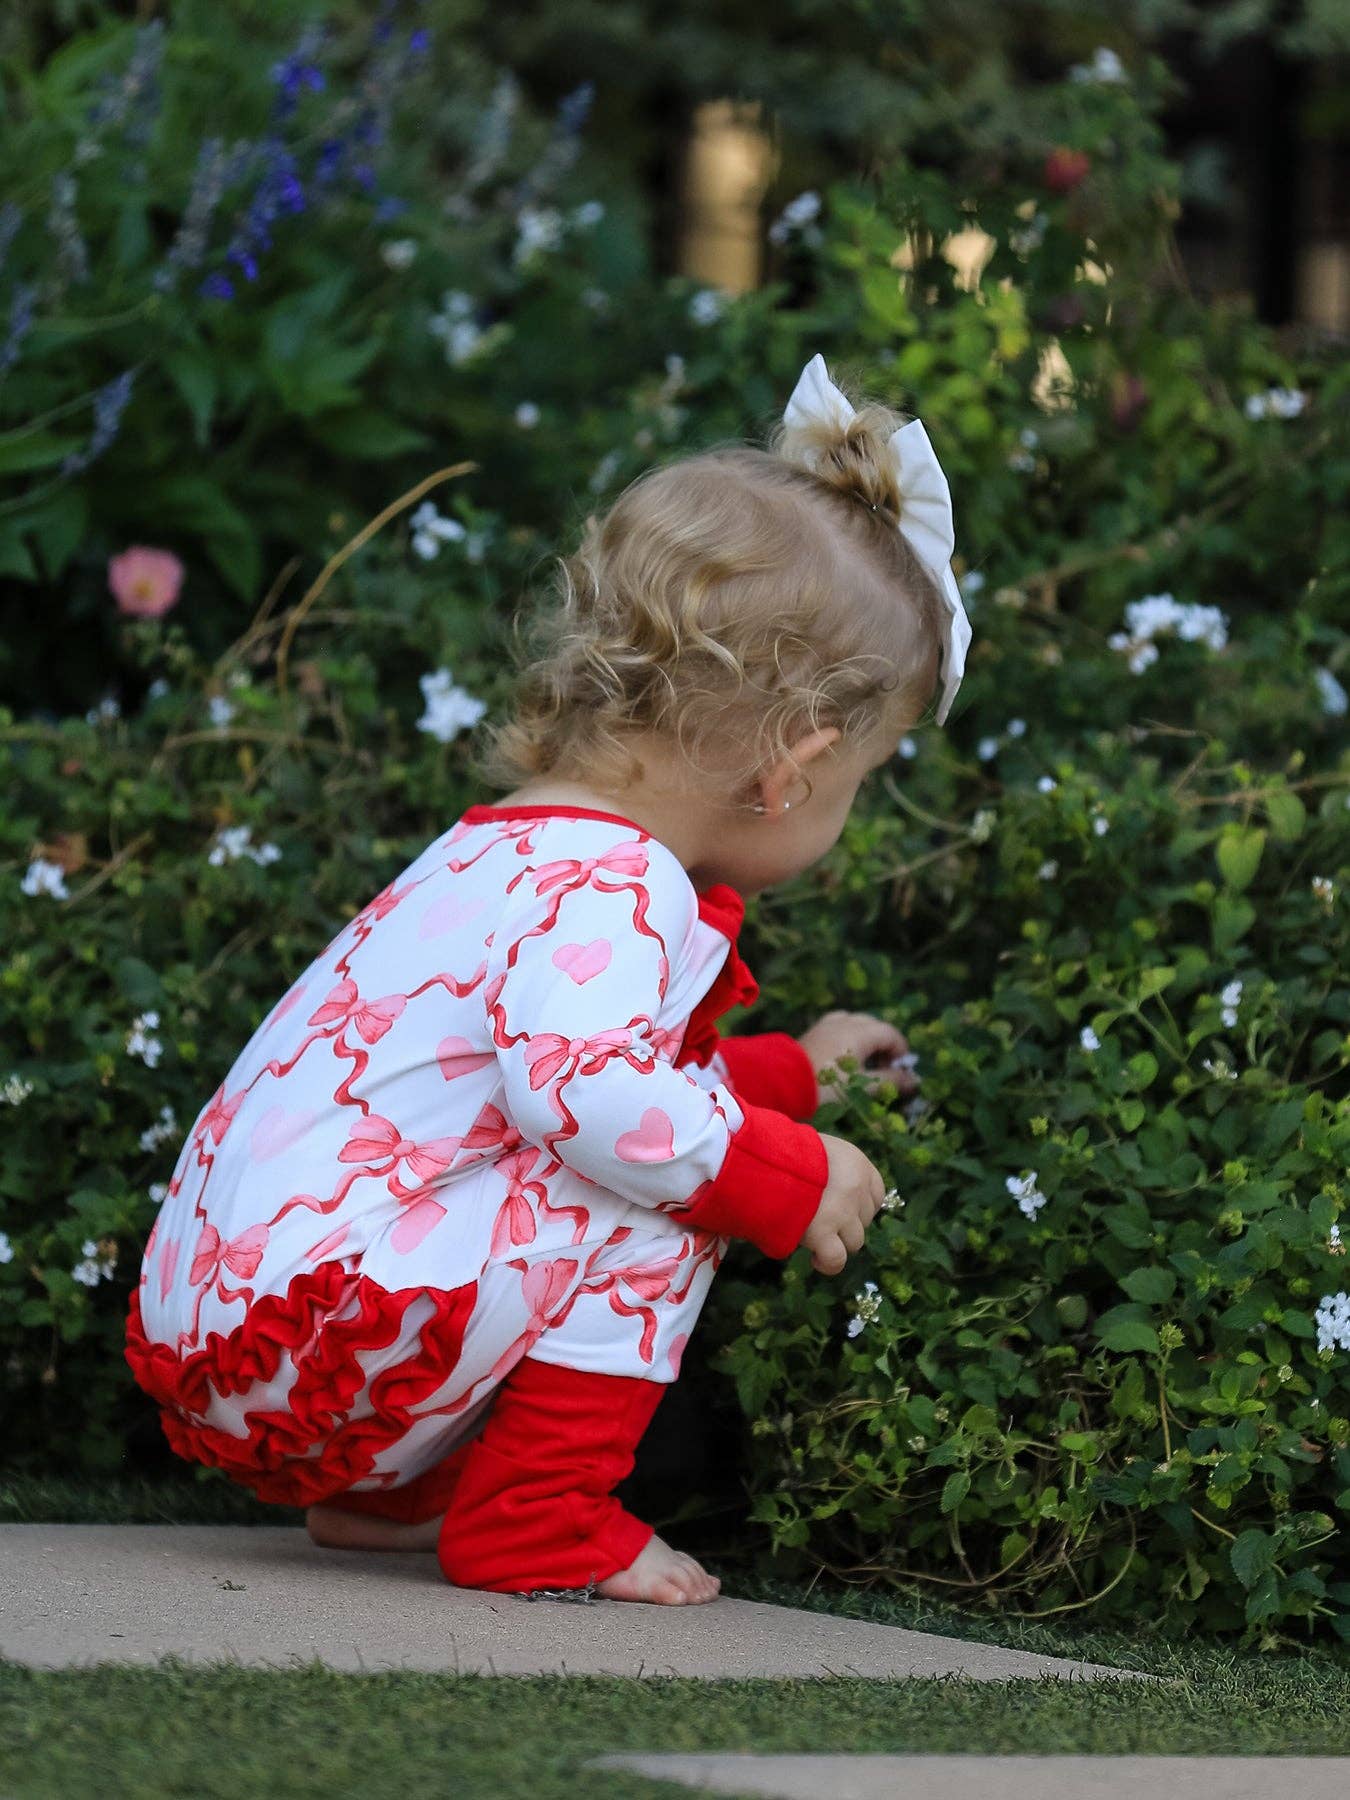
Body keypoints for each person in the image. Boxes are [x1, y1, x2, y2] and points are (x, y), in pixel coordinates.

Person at [124, 352, 972, 1607]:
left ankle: (388, 1495)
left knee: (655, 1132)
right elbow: (606, 1109)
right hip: (320, 1342)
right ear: (795, 763)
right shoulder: (615, 887)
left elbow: (565, 1083)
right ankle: (537, 1516)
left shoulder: (506, 848)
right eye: (862, 782)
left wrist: (793, 1074)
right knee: (675, 1180)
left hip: (235, 1334)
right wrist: (793, 1173)